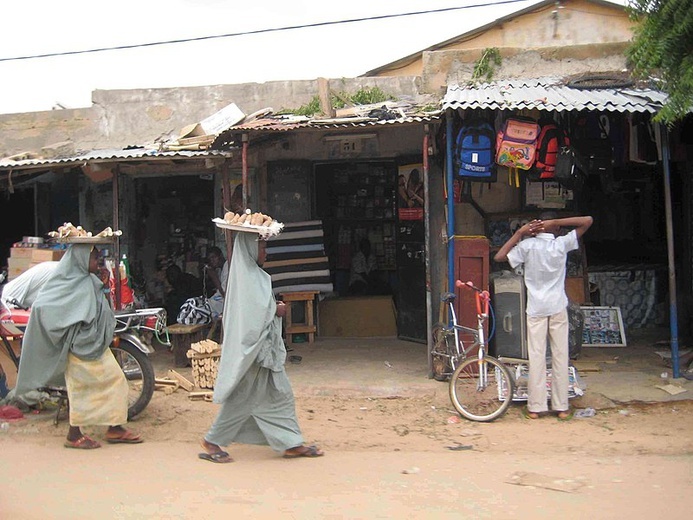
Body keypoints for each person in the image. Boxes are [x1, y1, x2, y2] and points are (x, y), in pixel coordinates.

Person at [198, 232, 323, 463]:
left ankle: (290, 442)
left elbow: (256, 308)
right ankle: (212, 441)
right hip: (254, 351)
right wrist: (275, 310)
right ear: (251, 249)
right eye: (262, 247)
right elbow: (250, 315)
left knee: (280, 394)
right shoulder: (246, 278)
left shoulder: (254, 276)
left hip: (263, 351)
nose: (266, 252)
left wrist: (272, 308)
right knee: (242, 399)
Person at [10, 244, 142, 449]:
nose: (97, 262)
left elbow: (99, 309)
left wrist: (104, 285)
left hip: (93, 344)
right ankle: (74, 435)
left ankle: (114, 428)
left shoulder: (89, 281)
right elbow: (43, 308)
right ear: (80, 260)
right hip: (78, 347)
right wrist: (69, 326)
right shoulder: (64, 283)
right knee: (81, 391)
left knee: (115, 382)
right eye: (94, 259)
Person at [494, 212, 593, 421]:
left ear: (535, 228)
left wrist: (520, 233)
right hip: (557, 307)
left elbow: (499, 257)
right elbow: (587, 221)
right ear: (555, 228)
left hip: (536, 308)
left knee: (536, 357)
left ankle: (535, 408)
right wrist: (556, 222)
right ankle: (562, 407)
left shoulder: (527, 246)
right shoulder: (561, 244)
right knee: (560, 356)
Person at [204, 246, 228, 316]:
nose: (212, 261)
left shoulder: (227, 266)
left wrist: (214, 277)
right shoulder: (220, 269)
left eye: (214, 257)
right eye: (210, 259)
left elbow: (225, 295)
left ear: (220, 256)